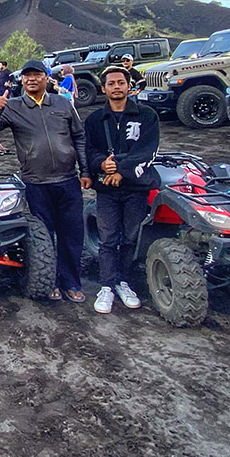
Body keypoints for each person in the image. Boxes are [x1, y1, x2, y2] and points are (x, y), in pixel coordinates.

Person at [0, 60, 92, 303]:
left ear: (47, 78)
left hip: (67, 180)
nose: (31, 79)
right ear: (22, 80)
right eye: (27, 76)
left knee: (71, 234)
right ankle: (50, 281)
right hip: (35, 182)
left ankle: (71, 283)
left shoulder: (62, 103)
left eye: (36, 75)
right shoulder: (13, 106)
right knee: (43, 236)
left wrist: (85, 170)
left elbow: (79, 137)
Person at [84, 66, 159, 314]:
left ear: (129, 86)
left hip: (136, 187)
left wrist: (121, 171)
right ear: (103, 88)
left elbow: (148, 150)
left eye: (121, 83)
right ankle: (106, 285)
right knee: (107, 238)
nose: (116, 87)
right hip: (106, 189)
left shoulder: (147, 116)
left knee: (130, 237)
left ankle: (124, 282)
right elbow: (89, 150)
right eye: (111, 83)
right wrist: (101, 164)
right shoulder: (94, 120)